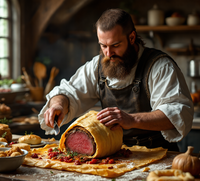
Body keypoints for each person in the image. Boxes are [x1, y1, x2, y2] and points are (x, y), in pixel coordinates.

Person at [39, 8, 194, 151]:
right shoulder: (96, 66)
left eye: (115, 45)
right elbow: (68, 92)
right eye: (103, 46)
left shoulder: (159, 67)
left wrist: (131, 119)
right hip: (116, 154)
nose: (108, 53)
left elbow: (176, 114)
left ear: (132, 37)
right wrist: (58, 104)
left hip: (157, 155)